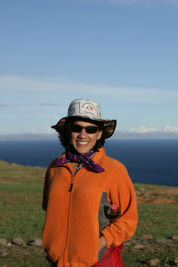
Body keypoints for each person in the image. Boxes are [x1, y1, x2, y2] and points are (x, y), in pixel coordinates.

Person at [42, 99, 138, 267]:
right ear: (67, 131)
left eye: (91, 129)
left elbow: (127, 220)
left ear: (99, 133)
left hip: (98, 261)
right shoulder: (54, 168)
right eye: (76, 128)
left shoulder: (114, 169)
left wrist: (100, 242)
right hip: (58, 263)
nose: (83, 135)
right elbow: (49, 209)